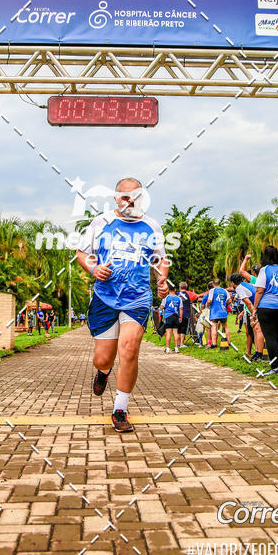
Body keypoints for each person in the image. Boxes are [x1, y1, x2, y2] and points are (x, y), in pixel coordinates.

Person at [76, 176, 169, 433]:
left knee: (129, 349)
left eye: (136, 197)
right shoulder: (102, 222)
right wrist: (94, 269)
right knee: (102, 358)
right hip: (105, 297)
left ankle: (120, 409)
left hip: (137, 298)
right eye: (126, 197)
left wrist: (162, 278)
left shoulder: (152, 226)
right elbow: (82, 253)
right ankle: (103, 373)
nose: (132, 202)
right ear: (117, 198)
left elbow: (161, 259)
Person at [251, 246, 278, 374]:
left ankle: (275, 367)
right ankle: (276, 363)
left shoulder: (265, 270)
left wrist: (254, 309)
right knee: (277, 336)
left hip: (267, 308)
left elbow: (259, 290)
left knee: (269, 337)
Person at [228, 273, 263, 360]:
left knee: (257, 329)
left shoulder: (239, 288)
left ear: (233, 283)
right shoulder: (247, 284)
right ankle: (258, 353)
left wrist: (253, 314)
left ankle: (259, 354)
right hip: (261, 305)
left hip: (258, 307)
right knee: (256, 330)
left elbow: (248, 303)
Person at [201, 280, 231, 349]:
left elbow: (209, 301)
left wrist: (208, 305)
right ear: (220, 283)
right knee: (225, 326)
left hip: (214, 312)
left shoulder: (212, 290)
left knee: (214, 327)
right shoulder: (225, 290)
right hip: (223, 312)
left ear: (213, 284)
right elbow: (229, 300)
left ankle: (214, 344)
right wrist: (225, 304)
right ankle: (229, 342)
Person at [160, 285, 183, 353]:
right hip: (176, 316)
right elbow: (181, 309)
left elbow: (162, 306)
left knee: (168, 332)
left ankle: (167, 348)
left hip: (168, 316)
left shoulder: (166, 298)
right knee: (175, 332)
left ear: (168, 290)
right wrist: (180, 317)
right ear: (175, 289)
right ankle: (176, 348)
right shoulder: (179, 298)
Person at [176, 281, 197, 348]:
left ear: (180, 287)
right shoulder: (189, 293)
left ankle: (178, 343)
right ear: (186, 287)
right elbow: (196, 296)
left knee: (178, 329)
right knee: (183, 329)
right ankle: (182, 343)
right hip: (186, 313)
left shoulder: (176, 294)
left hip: (177, 314)